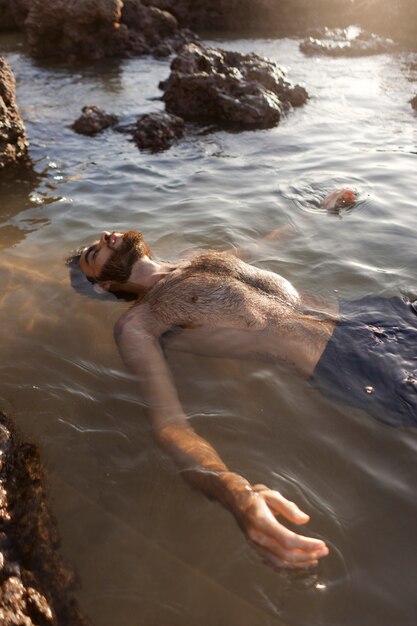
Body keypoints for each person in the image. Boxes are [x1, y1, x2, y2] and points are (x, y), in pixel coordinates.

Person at [74, 224, 417, 569]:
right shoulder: (139, 324)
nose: (104, 235)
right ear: (104, 285)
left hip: (378, 315)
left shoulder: (195, 257)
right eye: (94, 254)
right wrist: (239, 494)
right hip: (360, 368)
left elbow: (264, 243)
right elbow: (171, 426)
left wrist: (321, 212)